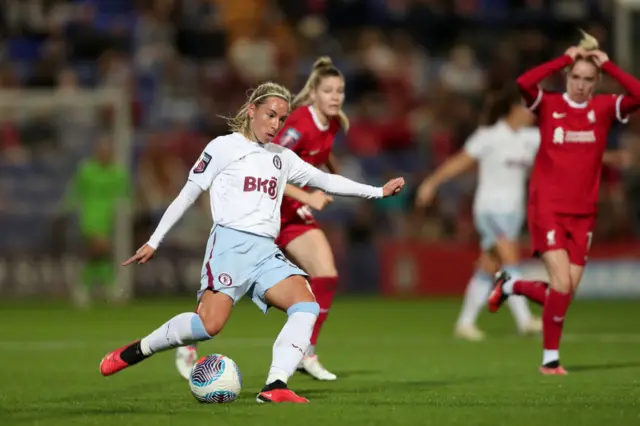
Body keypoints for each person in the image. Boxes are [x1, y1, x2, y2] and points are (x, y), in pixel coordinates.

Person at [99, 81, 405, 404]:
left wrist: (377, 192)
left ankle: (275, 385)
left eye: (281, 119)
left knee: (306, 305)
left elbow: (325, 180)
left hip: (266, 252)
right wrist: (154, 241)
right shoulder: (223, 147)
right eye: (270, 115)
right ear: (252, 110)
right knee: (209, 325)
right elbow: (188, 194)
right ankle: (140, 348)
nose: (275, 125)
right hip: (229, 246)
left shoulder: (281, 158)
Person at [175, 57, 346, 381]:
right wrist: (308, 194)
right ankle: (190, 339)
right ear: (313, 93)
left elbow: (320, 157)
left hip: (293, 215)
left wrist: (331, 176)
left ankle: (305, 351)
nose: (335, 97)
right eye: (328, 91)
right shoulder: (295, 126)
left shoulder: (333, 124)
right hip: (268, 211)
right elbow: (272, 165)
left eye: (340, 91)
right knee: (231, 292)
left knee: (326, 275)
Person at [488, 32, 640, 374]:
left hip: (584, 213)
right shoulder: (550, 104)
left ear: (596, 82)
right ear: (567, 77)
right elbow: (523, 82)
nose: (582, 85)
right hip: (548, 208)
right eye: (576, 77)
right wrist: (563, 57)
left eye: (589, 79)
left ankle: (511, 285)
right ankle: (550, 361)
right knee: (561, 285)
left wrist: (610, 65)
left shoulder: (603, 108)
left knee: (565, 293)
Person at [415, 86, 542, 340]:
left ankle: (465, 323)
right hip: (490, 209)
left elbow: (566, 154)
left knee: (489, 266)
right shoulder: (489, 136)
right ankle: (525, 320)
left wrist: (607, 157)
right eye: (527, 106)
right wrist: (432, 182)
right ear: (513, 109)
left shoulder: (533, 137)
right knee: (510, 258)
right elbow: (459, 161)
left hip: (514, 212)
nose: (533, 111)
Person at [63, 136, 129, 307]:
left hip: (109, 218)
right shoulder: (86, 170)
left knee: (97, 255)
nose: (104, 154)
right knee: (101, 248)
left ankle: (84, 288)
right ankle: (110, 286)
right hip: (89, 216)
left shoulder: (117, 172)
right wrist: (68, 209)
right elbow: (75, 191)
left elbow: (125, 194)